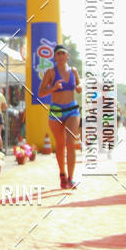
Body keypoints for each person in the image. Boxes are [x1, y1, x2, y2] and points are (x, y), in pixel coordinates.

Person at [38, 44, 82, 189]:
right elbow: (41, 93)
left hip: (72, 110)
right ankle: (62, 175)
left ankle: (71, 178)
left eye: (64, 53)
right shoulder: (50, 72)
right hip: (56, 111)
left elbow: (79, 85)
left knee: (71, 142)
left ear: (67, 56)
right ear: (55, 57)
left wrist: (79, 87)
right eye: (58, 54)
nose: (61, 56)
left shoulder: (73, 71)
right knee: (60, 144)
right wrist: (54, 88)